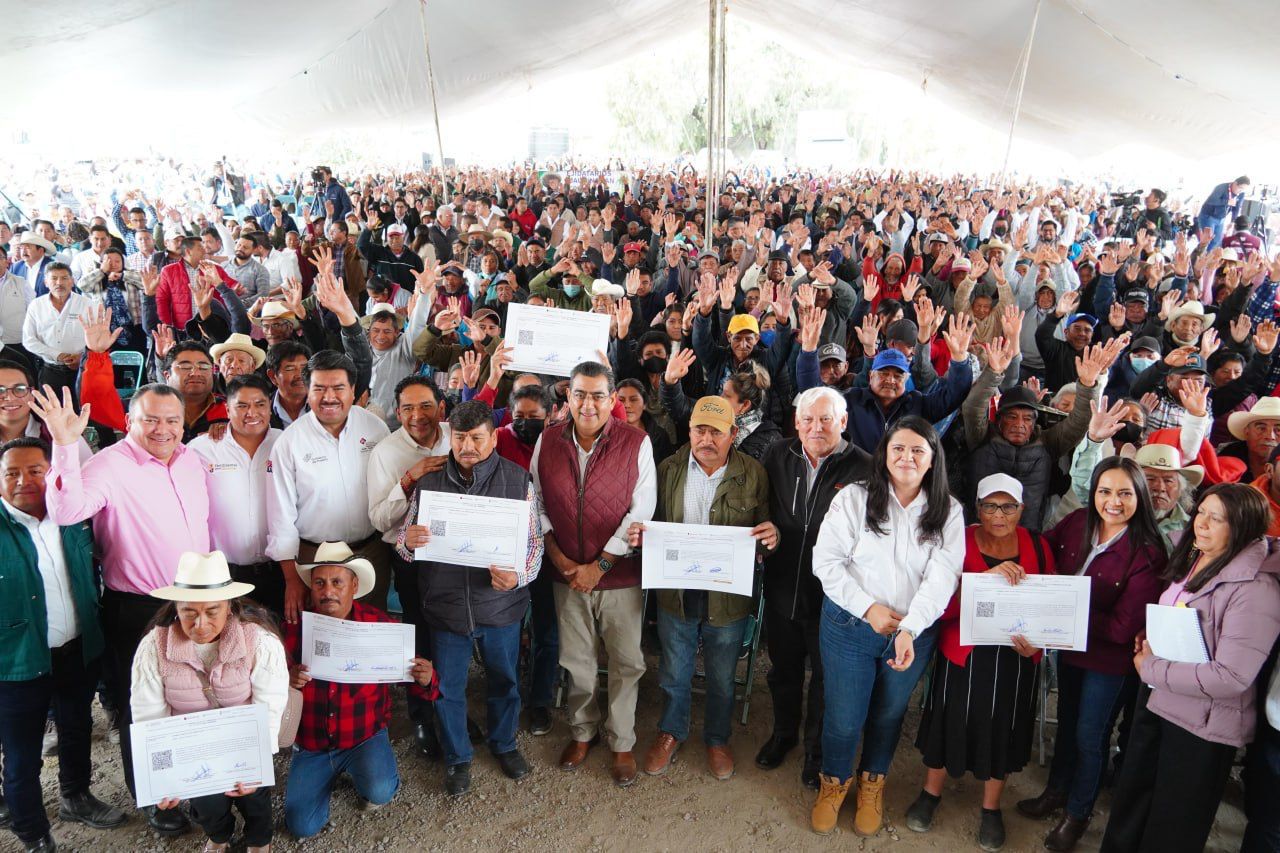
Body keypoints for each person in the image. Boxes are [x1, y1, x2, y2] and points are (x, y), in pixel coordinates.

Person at [37, 382, 211, 836]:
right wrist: (62, 444)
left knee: (194, 698)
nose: (162, 429)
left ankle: (195, 785)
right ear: (130, 421)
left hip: (197, 601)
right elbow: (66, 508)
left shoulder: (192, 460)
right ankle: (158, 800)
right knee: (146, 708)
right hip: (139, 607)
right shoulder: (107, 465)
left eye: (172, 420)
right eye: (150, 419)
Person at [1101, 484, 1280, 852]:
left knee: (1173, 826)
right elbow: (1183, 611)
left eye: (1217, 518)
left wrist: (1151, 670)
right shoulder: (1199, 556)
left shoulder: (1256, 588)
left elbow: (1232, 676)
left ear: (1245, 526)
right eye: (1201, 512)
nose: (1202, 524)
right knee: (1133, 805)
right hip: (1162, 702)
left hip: (1203, 728)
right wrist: (1149, 634)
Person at [808, 416, 965, 837]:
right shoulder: (854, 499)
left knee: (889, 713)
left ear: (933, 460)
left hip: (913, 633)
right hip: (849, 626)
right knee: (843, 717)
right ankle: (834, 782)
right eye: (898, 448)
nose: (907, 457)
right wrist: (868, 608)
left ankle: (872, 782)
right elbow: (825, 562)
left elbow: (943, 577)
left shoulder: (948, 511)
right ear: (884, 454)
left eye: (918, 450)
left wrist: (910, 627)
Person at [1018, 457, 1166, 852]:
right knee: (1066, 724)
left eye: (1124, 493)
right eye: (1105, 491)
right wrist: (1012, 568)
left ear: (1140, 496)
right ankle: (1056, 792)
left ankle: (1078, 813)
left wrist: (1064, 609)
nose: (1112, 501)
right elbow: (1042, 549)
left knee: (1090, 735)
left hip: (1109, 663)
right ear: (1094, 492)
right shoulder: (1078, 522)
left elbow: (1121, 628)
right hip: (1068, 650)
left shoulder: (1147, 553)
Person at [630, 396, 779, 782]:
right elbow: (651, 521)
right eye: (700, 429)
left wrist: (771, 535)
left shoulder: (754, 474)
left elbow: (764, 529)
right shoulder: (668, 470)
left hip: (727, 600)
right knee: (674, 672)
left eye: (717, 431)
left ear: (733, 434)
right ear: (690, 431)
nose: (706, 439)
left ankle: (717, 738)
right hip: (676, 593)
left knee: (721, 675)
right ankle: (671, 731)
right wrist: (641, 533)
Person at [400, 401, 544, 795]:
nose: (467, 446)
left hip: (500, 608)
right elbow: (405, 541)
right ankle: (457, 757)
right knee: (448, 689)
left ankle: (504, 743)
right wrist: (408, 543)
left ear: (493, 437)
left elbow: (534, 545)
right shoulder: (430, 484)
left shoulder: (517, 481)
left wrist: (518, 577)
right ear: (451, 437)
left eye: (477, 438)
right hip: (446, 608)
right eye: (460, 438)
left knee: (504, 680)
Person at [906, 474, 1055, 852]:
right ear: (978, 508)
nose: (999, 515)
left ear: (1022, 509)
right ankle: (931, 793)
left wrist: (1035, 647)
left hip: (1015, 657)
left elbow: (1051, 606)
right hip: (964, 652)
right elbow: (939, 606)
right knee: (949, 718)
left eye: (1008, 507)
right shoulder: (960, 541)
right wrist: (982, 582)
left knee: (1003, 726)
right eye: (990, 506)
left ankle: (991, 808)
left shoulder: (1037, 545)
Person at [530, 361, 656, 787]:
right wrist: (561, 560)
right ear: (568, 397)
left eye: (597, 395)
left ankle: (621, 742)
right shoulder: (547, 442)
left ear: (612, 399)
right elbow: (537, 504)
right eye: (579, 394)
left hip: (618, 575)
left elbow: (642, 510)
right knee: (577, 660)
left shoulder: (636, 442)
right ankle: (583, 732)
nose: (588, 404)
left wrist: (600, 565)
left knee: (626, 661)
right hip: (565, 573)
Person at [0, 437, 126, 853]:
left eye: (36, 470)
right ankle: (33, 831)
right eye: (11, 473)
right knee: (22, 755)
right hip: (17, 662)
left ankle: (75, 796)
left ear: (53, 473)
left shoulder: (73, 516)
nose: (24, 481)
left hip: (78, 648)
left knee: (76, 728)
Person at [130, 551, 288, 853]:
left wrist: (256, 762)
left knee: (254, 795)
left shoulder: (259, 642)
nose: (200, 623)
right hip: (192, 752)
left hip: (244, 743)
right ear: (176, 607)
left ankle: (259, 839)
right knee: (207, 802)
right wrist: (164, 778)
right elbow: (150, 717)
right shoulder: (153, 648)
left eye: (212, 611)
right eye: (189, 612)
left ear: (229, 607)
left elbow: (270, 705)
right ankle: (219, 835)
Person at [282, 541, 438, 839]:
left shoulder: (379, 625)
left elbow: (414, 682)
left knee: (380, 790)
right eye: (320, 583)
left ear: (354, 586)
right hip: (313, 745)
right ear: (312, 588)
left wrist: (427, 679)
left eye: (337, 582)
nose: (328, 591)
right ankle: (326, 778)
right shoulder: (294, 628)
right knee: (301, 825)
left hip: (362, 736)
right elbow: (270, 689)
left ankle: (366, 772)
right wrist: (287, 681)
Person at [756, 387, 869, 790]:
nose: (815, 427)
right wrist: (765, 526)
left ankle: (816, 754)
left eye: (825, 419)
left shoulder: (864, 467)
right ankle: (783, 735)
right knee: (782, 671)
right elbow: (761, 504)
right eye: (807, 419)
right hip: (783, 583)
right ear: (796, 423)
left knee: (825, 679)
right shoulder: (777, 454)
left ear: (843, 422)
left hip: (835, 598)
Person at [266, 349, 391, 619]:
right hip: (314, 558)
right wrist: (292, 579)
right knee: (320, 637)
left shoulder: (375, 429)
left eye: (338, 388)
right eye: (319, 388)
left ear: (353, 389)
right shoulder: (290, 442)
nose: (329, 397)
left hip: (370, 552)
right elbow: (280, 517)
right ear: (308, 392)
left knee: (371, 626)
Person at [366, 375, 449, 756]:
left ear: (441, 408)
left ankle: (451, 708)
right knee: (419, 633)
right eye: (409, 408)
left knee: (453, 633)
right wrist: (409, 479)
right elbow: (380, 520)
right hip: (410, 557)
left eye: (426, 406)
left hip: (454, 555)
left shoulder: (455, 436)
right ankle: (421, 716)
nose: (418, 416)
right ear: (397, 412)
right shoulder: (385, 452)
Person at [188, 374, 284, 615]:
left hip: (278, 573)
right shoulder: (202, 449)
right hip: (223, 574)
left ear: (269, 408)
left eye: (260, 404)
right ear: (227, 410)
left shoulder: (285, 444)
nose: (252, 413)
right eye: (242, 406)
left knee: (275, 642)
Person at [21, 263, 90, 401]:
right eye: (54, 278)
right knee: (50, 414)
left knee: (82, 413)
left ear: (72, 281)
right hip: (50, 371)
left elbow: (98, 339)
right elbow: (28, 340)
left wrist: (82, 357)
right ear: (46, 282)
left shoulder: (87, 304)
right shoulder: (36, 305)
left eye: (64, 278)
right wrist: (57, 355)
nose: (59, 283)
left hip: (82, 370)